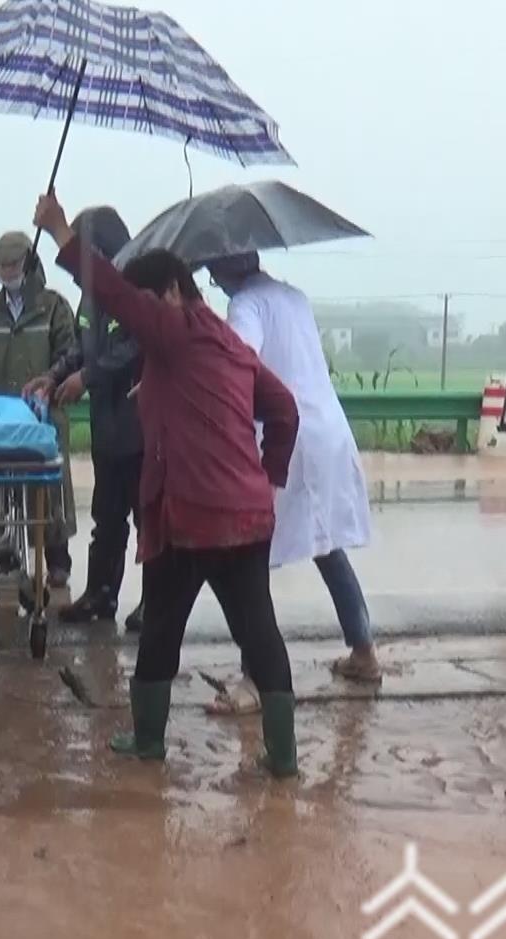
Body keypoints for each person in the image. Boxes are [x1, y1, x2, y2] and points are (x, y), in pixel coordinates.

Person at [33, 191, 304, 779]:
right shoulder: (227, 344)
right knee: (259, 631)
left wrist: (60, 232)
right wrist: (268, 478)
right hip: (246, 517)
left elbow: (117, 295)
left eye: (150, 303)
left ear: (175, 292)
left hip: (190, 517)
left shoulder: (175, 329)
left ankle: (148, 740)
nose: (142, 320)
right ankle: (282, 757)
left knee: (159, 630)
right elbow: (283, 411)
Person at [204, 253, 381, 715]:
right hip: (327, 430)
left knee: (250, 556)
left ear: (225, 271)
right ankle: (363, 652)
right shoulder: (294, 297)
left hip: (287, 437)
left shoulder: (245, 305)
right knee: (326, 545)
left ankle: (253, 680)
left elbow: (240, 362)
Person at [23, 206, 146, 630]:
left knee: (149, 521)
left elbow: (133, 349)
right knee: (106, 520)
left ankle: (154, 603)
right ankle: (100, 596)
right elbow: (81, 346)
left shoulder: (134, 292)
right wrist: (55, 375)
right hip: (106, 428)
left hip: (142, 427)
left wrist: (87, 377)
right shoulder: (91, 298)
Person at [0, 230, 79, 587]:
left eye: (14, 263)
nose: (8, 270)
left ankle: (57, 559)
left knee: (50, 489)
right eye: (2, 264)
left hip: (44, 419)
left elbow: (71, 356)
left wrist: (51, 383)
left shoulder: (55, 307)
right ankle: (7, 558)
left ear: (28, 264)